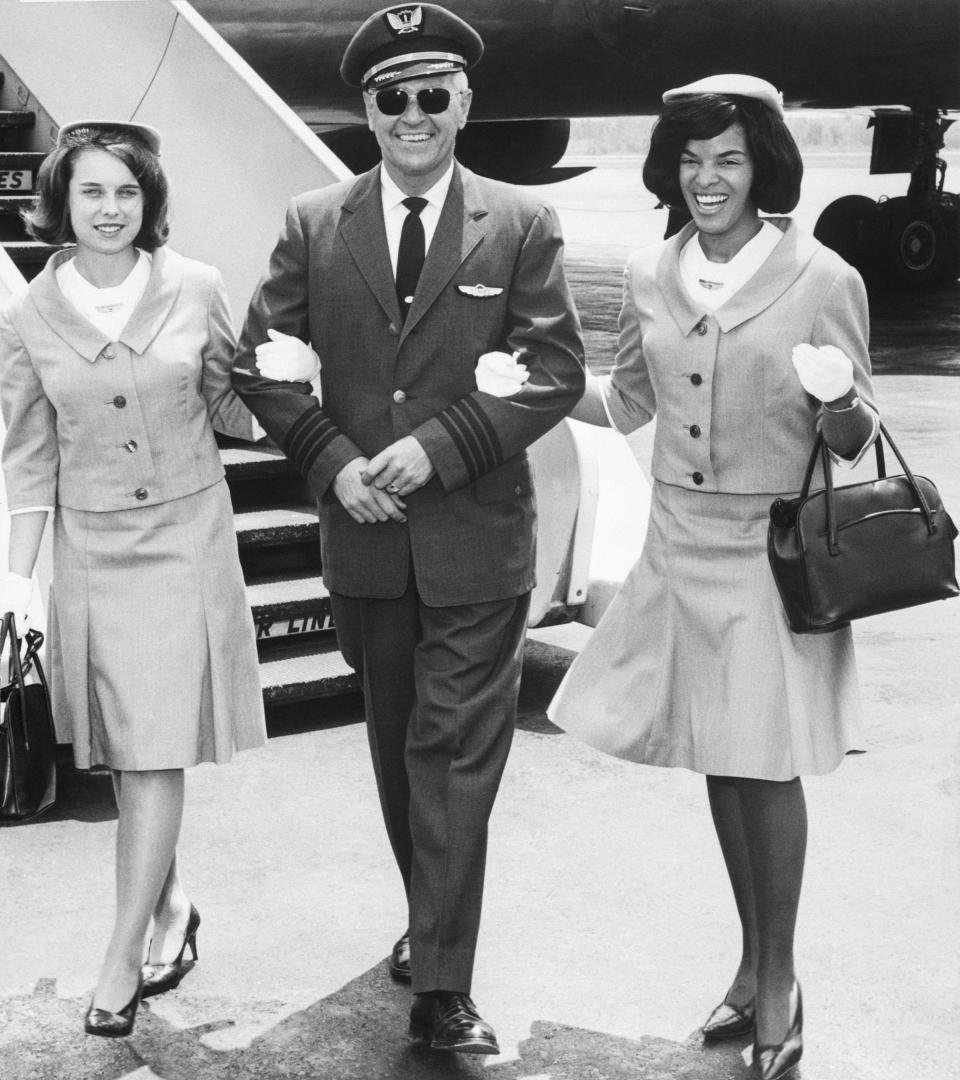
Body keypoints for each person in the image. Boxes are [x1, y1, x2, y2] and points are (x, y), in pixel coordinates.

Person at [231, 3, 584, 1055]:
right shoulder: (312, 222)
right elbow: (262, 364)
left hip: (477, 540)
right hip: (369, 542)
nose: (416, 115)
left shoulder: (520, 225)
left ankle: (443, 984)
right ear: (369, 111)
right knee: (398, 754)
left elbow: (556, 370)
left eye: (436, 95)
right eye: (395, 98)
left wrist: (441, 446)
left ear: (465, 102)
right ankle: (432, 923)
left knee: (454, 755)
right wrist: (335, 465)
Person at [548, 75, 879, 1080]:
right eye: (690, 160)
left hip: (769, 551)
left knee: (763, 765)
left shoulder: (823, 278)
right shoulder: (653, 275)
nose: (708, 179)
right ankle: (750, 964)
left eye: (728, 158)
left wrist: (835, 404)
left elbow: (859, 437)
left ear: (764, 166)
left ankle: (778, 980)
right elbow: (634, 396)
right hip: (680, 543)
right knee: (718, 761)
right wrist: (525, 387)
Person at [0, 121, 266, 1038]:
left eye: (126, 192)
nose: (110, 209)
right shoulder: (26, 313)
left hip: (185, 540)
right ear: (60, 204)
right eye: (91, 192)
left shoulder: (196, 286)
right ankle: (172, 903)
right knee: (124, 747)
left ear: (149, 201)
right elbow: (28, 454)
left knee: (152, 750)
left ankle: (118, 961)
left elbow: (231, 401)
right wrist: (17, 582)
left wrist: (291, 393)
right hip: (89, 550)